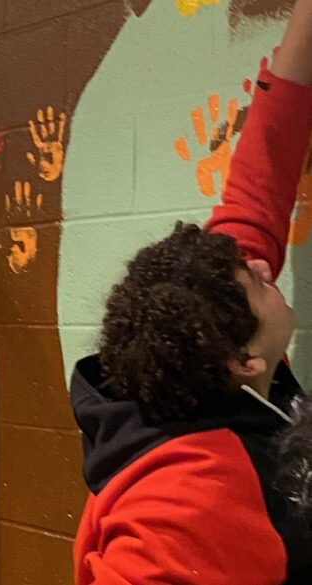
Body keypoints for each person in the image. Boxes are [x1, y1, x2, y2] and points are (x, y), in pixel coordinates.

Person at [70, 2, 312, 582]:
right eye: (256, 281)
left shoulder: (199, 350)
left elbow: (259, 181)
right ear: (243, 359)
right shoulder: (188, 500)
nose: (262, 263)